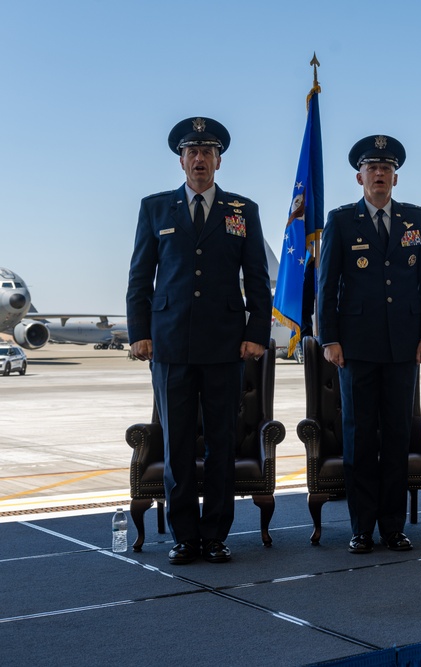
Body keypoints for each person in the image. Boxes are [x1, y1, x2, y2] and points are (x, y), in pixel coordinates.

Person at [126, 117, 272, 565]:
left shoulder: (241, 210)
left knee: (222, 442)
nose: (199, 159)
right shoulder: (156, 208)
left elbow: (259, 280)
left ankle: (216, 536)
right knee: (178, 444)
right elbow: (139, 278)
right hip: (169, 345)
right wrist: (140, 333)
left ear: (219, 160)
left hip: (227, 345)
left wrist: (255, 335)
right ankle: (185, 537)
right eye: (192, 152)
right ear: (181, 160)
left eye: (207, 152)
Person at [318, 135, 421, 554]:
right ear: (359, 177)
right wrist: (329, 338)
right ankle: (361, 527)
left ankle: (393, 526)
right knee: (359, 438)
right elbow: (327, 285)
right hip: (356, 348)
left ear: (395, 177)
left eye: (386, 169)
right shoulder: (341, 220)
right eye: (372, 169)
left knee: (396, 439)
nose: (380, 175)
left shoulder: (415, 220)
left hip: (404, 347)